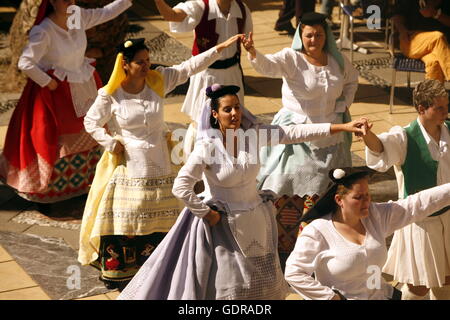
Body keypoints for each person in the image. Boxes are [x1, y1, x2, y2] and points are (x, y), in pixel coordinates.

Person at [116, 84, 367, 300]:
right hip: (222, 226)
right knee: (228, 285)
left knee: (258, 281)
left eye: (237, 107)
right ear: (215, 114)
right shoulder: (207, 147)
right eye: (227, 109)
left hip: (256, 219)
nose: (235, 113)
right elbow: (181, 186)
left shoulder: (253, 136)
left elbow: (293, 133)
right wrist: (206, 213)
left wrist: (342, 127)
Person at [78, 36, 243, 289]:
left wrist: (219, 49)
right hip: (130, 160)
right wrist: (110, 141)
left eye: (148, 61)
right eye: (140, 63)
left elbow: (189, 67)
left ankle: (163, 264)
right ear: (125, 65)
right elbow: (91, 122)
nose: (146, 67)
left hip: (160, 156)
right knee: (131, 213)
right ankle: (124, 269)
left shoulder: (158, 81)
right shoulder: (111, 94)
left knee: (165, 211)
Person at [242, 12, 359, 268]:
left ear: (325, 35)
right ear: (300, 35)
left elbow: (351, 81)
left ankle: (316, 249)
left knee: (325, 192)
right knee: (285, 187)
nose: (313, 39)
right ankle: (282, 250)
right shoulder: (291, 58)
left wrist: (343, 104)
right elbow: (266, 66)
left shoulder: (338, 61)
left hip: (332, 134)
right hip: (296, 132)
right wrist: (253, 52)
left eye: (318, 34)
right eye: (308, 35)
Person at [0, 0, 133, 209]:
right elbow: (25, 62)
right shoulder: (44, 31)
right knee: (56, 141)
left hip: (82, 86)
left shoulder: (77, 16)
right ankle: (50, 193)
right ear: (52, 2)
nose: (71, 2)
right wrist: (48, 82)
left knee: (89, 134)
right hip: (55, 94)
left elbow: (106, 12)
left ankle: (80, 186)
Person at [285, 166, 450, 300]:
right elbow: (294, 273)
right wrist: (330, 298)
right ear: (339, 200)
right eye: (358, 197)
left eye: (368, 195)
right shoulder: (318, 231)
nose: (367, 202)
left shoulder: (376, 216)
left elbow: (418, 204)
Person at [361, 79, 450, 299]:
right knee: (420, 285)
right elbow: (380, 147)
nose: (445, 112)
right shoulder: (404, 136)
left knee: (447, 278)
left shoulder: (448, 130)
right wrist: (366, 135)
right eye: (439, 108)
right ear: (422, 108)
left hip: (448, 217)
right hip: (420, 222)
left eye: (446, 106)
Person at [153, 0, 253, 159]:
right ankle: (193, 162)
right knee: (201, 120)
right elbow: (171, 15)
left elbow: (248, 41)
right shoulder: (201, 6)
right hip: (206, 74)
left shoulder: (242, 9)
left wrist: (252, 51)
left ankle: (231, 161)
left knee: (233, 121)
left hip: (233, 73)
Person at [392, 0, 450, 82]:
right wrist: (402, 31)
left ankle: (433, 94)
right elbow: (396, 16)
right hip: (411, 41)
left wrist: (436, 14)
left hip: (439, 48)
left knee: (433, 63)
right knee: (438, 37)